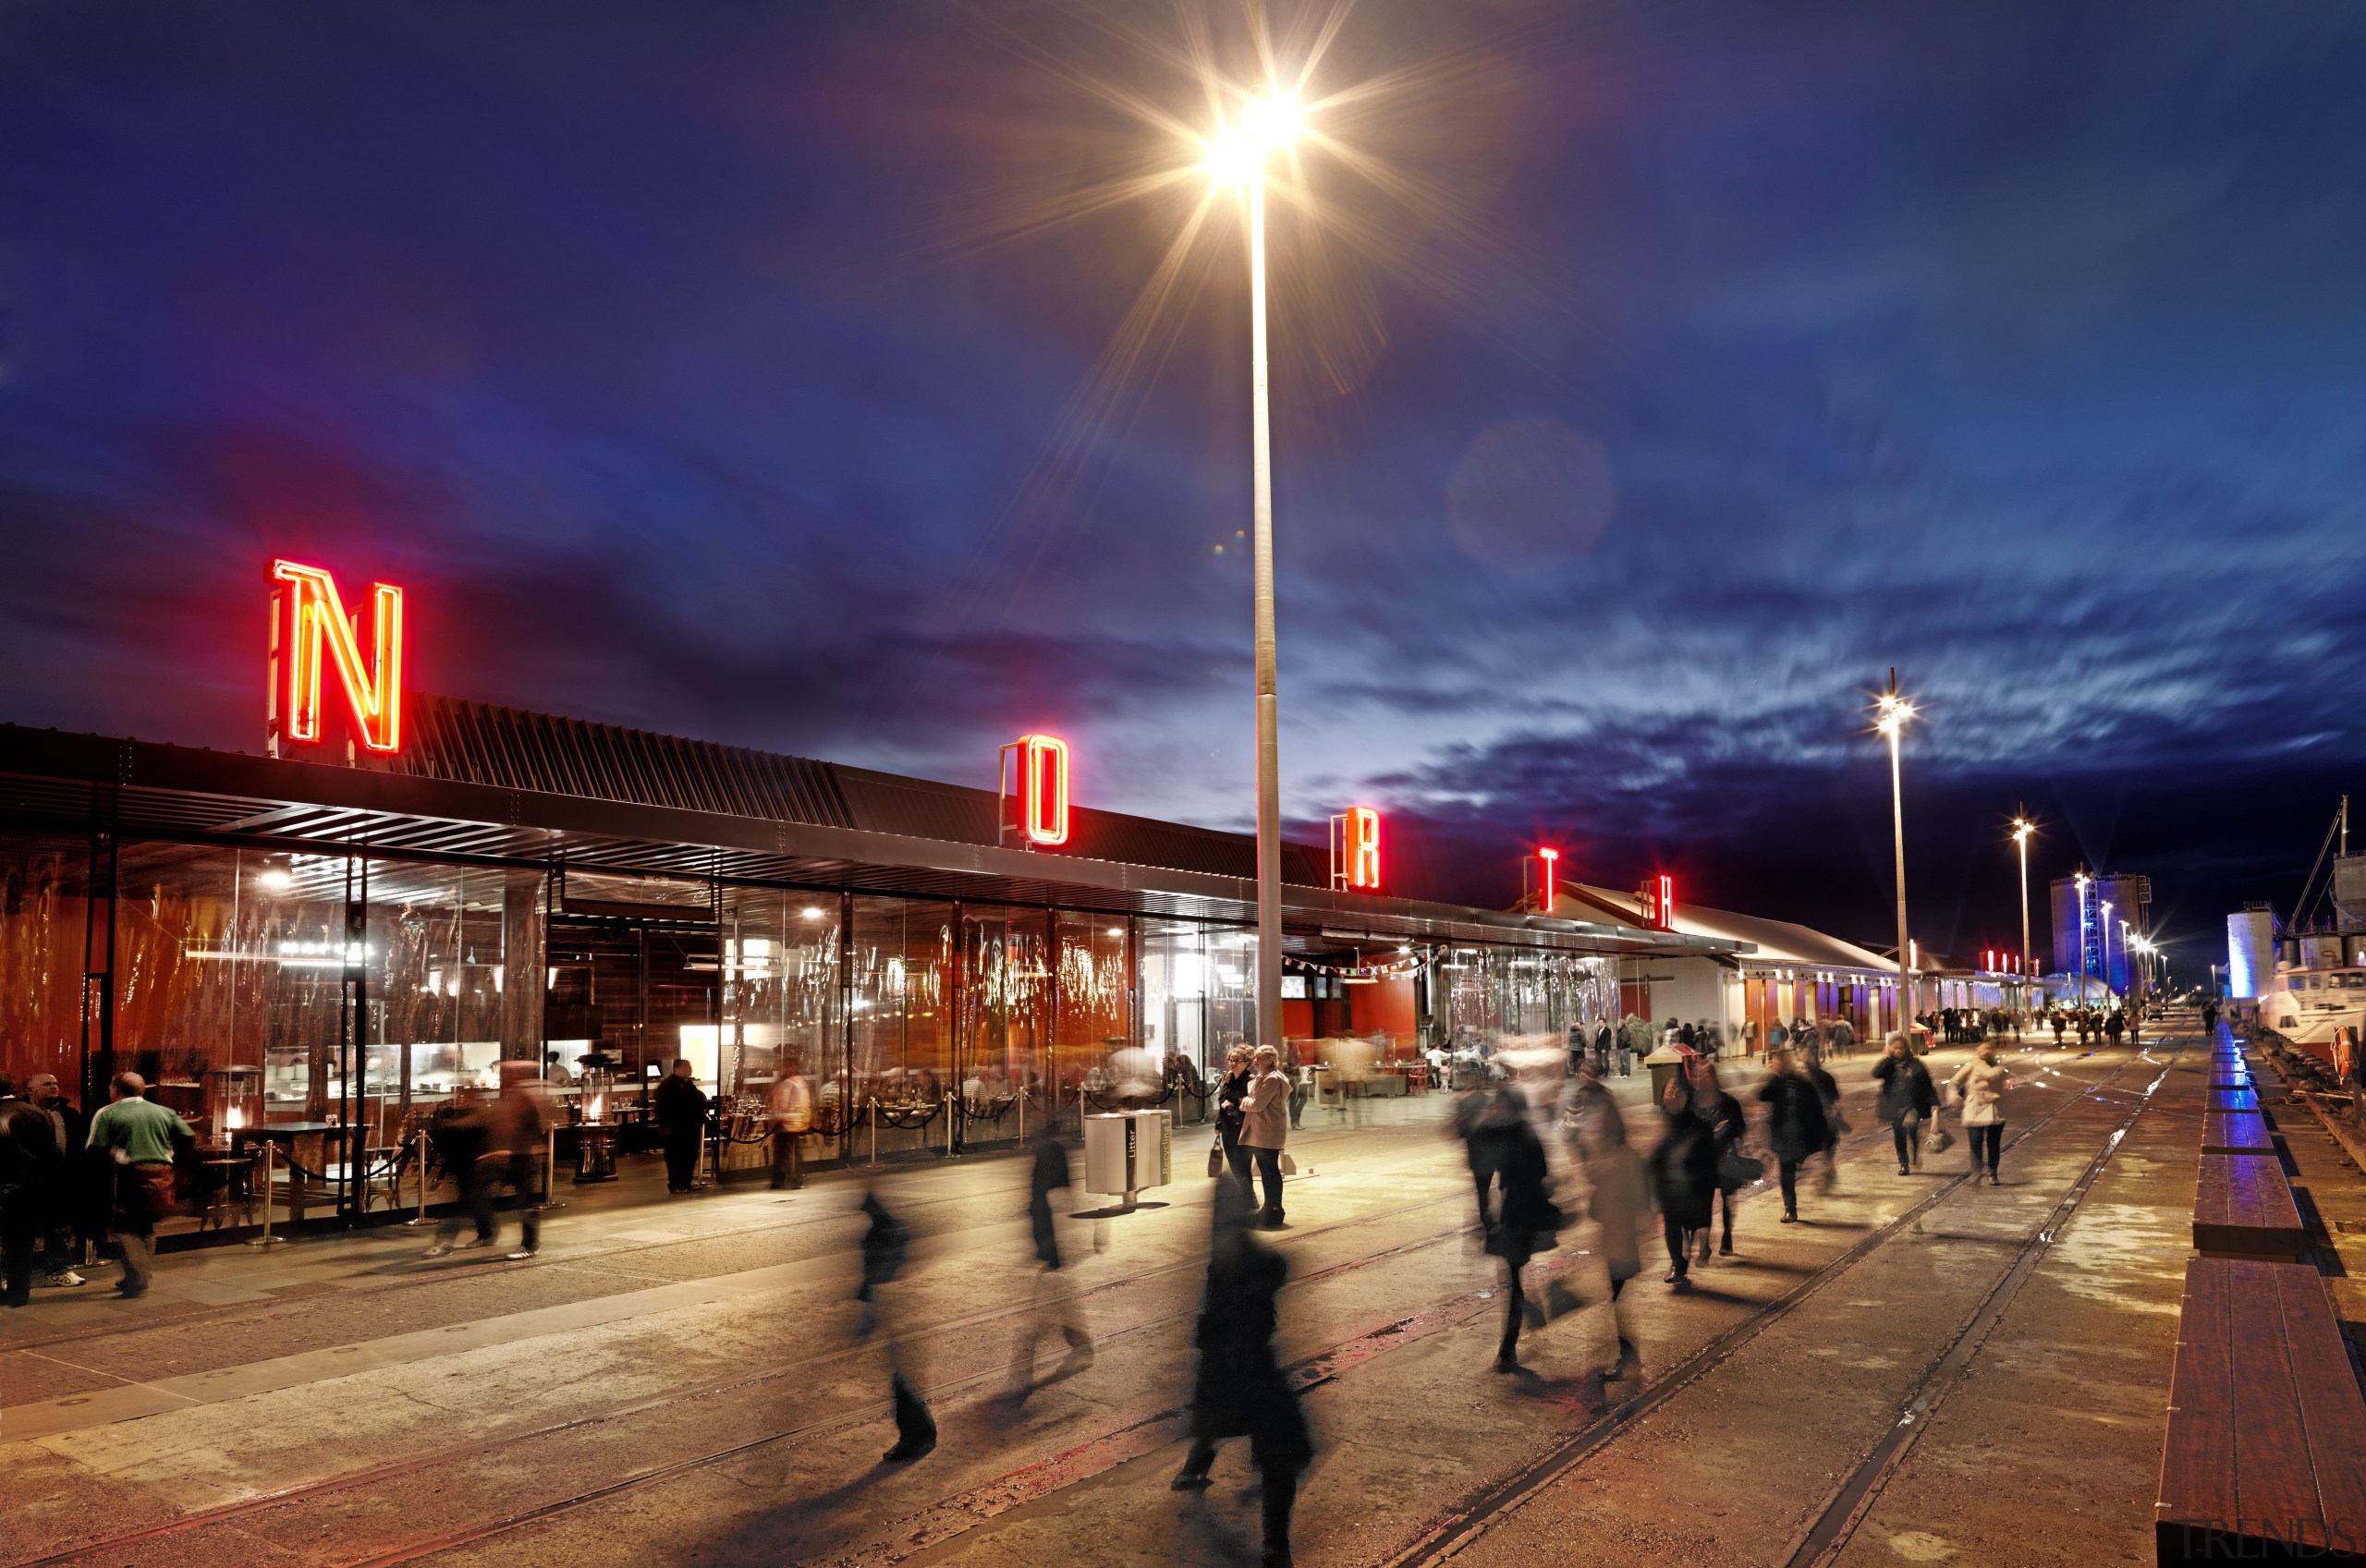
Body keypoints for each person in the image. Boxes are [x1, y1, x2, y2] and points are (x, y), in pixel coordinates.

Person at [1171, 1175, 1312, 1568]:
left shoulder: (1221, 1247)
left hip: (1226, 1365)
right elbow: (1271, 1271)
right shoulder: (1238, 1253)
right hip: (1249, 1366)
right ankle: (1275, 1545)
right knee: (1278, 1453)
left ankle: (1196, 1468)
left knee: (1217, 1419)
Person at [1471, 1085, 1561, 1371]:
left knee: (1512, 1277)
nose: (1497, 1111)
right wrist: (1484, 1210)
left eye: (1501, 1107)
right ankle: (1524, 1311)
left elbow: (1541, 1175)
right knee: (1512, 1276)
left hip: (1525, 1214)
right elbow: (1482, 1173)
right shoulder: (1499, 1133)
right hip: (1511, 1212)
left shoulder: (1524, 1135)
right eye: (1495, 1107)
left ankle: (1508, 1347)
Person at [86, 1073, 192, 1299]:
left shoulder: (108, 1113)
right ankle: (139, 1273)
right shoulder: (164, 1112)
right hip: (162, 1175)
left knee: (125, 1226)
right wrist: (170, 1155)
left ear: (115, 1090)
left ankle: (138, 1277)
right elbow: (188, 1137)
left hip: (127, 1176)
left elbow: (95, 1150)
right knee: (146, 1224)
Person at [1009, 1129, 1093, 1392]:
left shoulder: (1050, 1150)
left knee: (1052, 1291)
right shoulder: (1050, 1149)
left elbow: (1054, 1196)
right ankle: (1074, 1335)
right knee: (1055, 1288)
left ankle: (1072, 1335)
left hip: (1048, 1231)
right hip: (1047, 1231)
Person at [858, 1188, 936, 1464]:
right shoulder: (882, 1220)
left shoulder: (885, 1223)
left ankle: (917, 1435)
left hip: (895, 1304)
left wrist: (871, 1299)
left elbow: (886, 1255)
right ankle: (920, 1432)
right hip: (893, 1302)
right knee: (900, 1375)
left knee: (901, 1376)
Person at [1581, 1105, 1648, 1378]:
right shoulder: (1616, 1158)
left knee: (1617, 1298)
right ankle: (1626, 1353)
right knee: (1616, 1298)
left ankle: (1628, 1356)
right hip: (1615, 1238)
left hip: (1622, 1239)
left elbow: (1636, 1198)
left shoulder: (1621, 1160)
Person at [1644, 1076, 1718, 1289]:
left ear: (1688, 1097)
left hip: (1693, 1187)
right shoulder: (1659, 1124)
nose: (1673, 1095)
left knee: (1694, 1225)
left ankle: (1698, 1247)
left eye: (1678, 1092)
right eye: (1669, 1091)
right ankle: (1677, 1264)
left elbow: (1709, 1160)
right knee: (1672, 1224)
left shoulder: (1700, 1126)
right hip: (1668, 1186)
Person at [475, 1063, 546, 1258]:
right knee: (479, 1189)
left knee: (526, 1201)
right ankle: (488, 1231)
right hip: (507, 1156)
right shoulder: (514, 1096)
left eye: (510, 1073)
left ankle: (530, 1245)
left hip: (520, 1157)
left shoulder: (525, 1098)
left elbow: (529, 1130)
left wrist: (512, 1150)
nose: (505, 1077)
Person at [24, 1072, 89, 1287]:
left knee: (59, 1227)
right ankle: (13, 1273)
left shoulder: (68, 1115)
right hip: (25, 1181)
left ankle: (60, 1269)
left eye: (56, 1083)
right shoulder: (19, 1113)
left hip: (60, 1180)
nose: (54, 1087)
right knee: (20, 1229)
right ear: (30, 1090)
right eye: (47, 1084)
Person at [0, 1076, 58, 1307]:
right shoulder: (36, 1114)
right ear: (14, 1088)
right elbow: (50, 1154)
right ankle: (18, 1292)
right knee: (21, 1244)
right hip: (28, 1190)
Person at [1756, 1050, 1830, 1222]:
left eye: (1776, 1061)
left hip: (1801, 1134)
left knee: (1792, 1167)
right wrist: (1773, 1076)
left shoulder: (1802, 1082)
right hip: (1783, 1135)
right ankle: (1790, 1208)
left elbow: (1817, 1108)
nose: (1773, 1064)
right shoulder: (1777, 1082)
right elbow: (1762, 1095)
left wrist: (1821, 1135)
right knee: (1786, 1171)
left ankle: (1803, 1177)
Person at [422, 1088, 492, 1256]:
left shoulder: (479, 1113)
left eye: (466, 1095)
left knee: (463, 1203)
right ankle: (487, 1232)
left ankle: (446, 1240)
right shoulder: (458, 1113)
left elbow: (476, 1126)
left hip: (474, 1163)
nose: (462, 1098)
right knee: (471, 1200)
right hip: (462, 1163)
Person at [1696, 1064, 1748, 1258]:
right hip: (1704, 1159)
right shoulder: (1694, 1102)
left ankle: (1727, 1236)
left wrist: (1726, 1130)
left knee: (1727, 1199)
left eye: (1705, 1074)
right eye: (1698, 1075)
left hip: (1725, 1157)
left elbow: (1740, 1128)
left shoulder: (1728, 1102)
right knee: (1704, 1203)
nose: (1701, 1079)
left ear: (1713, 1077)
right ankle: (1704, 1245)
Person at [1872, 1033, 1937, 1175]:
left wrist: (1934, 1103)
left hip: (1912, 1106)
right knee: (1899, 1135)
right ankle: (1904, 1163)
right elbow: (1876, 1073)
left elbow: (1928, 1085)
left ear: (1906, 1049)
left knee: (1912, 1129)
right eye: (1895, 1048)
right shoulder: (1889, 1065)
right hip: (1894, 1106)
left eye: (1900, 1048)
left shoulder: (1916, 1064)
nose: (1898, 1051)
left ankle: (1915, 1149)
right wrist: (1887, 1058)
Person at [1238, 1044, 1290, 1228]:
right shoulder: (1262, 1077)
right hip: (1260, 1129)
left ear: (1270, 1059)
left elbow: (1258, 1105)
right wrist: (1249, 1101)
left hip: (1268, 1130)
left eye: (1259, 1058)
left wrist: (1242, 1101)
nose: (1255, 1061)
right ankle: (1270, 1208)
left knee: (1270, 1171)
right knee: (1265, 1170)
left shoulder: (1273, 1079)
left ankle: (1274, 1208)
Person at [1950, 1044, 2010, 1184]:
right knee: (1975, 1142)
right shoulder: (1972, 1065)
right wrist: (1954, 1095)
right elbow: (1954, 1081)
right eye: (1980, 1049)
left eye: (1987, 1049)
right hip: (1974, 1108)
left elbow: (1992, 1075)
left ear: (1992, 1052)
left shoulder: (2000, 1068)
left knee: (1993, 1143)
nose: (1983, 1052)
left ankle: (1992, 1172)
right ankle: (1976, 1171)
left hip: (1995, 1108)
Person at [653, 1058, 710, 1194]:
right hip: (676, 1128)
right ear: (678, 1069)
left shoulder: (689, 1084)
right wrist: (666, 1125)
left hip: (691, 1127)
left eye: (690, 1067)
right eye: (687, 1067)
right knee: (676, 1157)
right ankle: (676, 1184)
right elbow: (663, 1107)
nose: (690, 1069)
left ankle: (686, 1182)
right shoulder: (668, 1085)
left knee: (690, 1156)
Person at [769, 1060, 813, 1190]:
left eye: (783, 1067)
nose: (781, 1070)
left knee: (782, 1154)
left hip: (787, 1123)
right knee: (796, 1154)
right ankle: (798, 1179)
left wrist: (776, 1118)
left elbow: (783, 1104)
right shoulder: (801, 1081)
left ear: (789, 1067)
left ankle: (781, 1181)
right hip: (800, 1122)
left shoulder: (788, 1083)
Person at [1215, 1044, 1254, 1183]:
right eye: (1231, 1060)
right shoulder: (1228, 1078)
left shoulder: (1250, 1079)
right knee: (1233, 1162)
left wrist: (1234, 1105)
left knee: (1242, 1164)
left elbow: (1253, 1104)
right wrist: (1218, 1124)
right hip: (1228, 1126)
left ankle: (1249, 1197)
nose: (1233, 1063)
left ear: (1247, 1062)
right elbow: (1222, 1101)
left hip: (1242, 1127)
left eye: (1237, 1061)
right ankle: (1245, 1197)